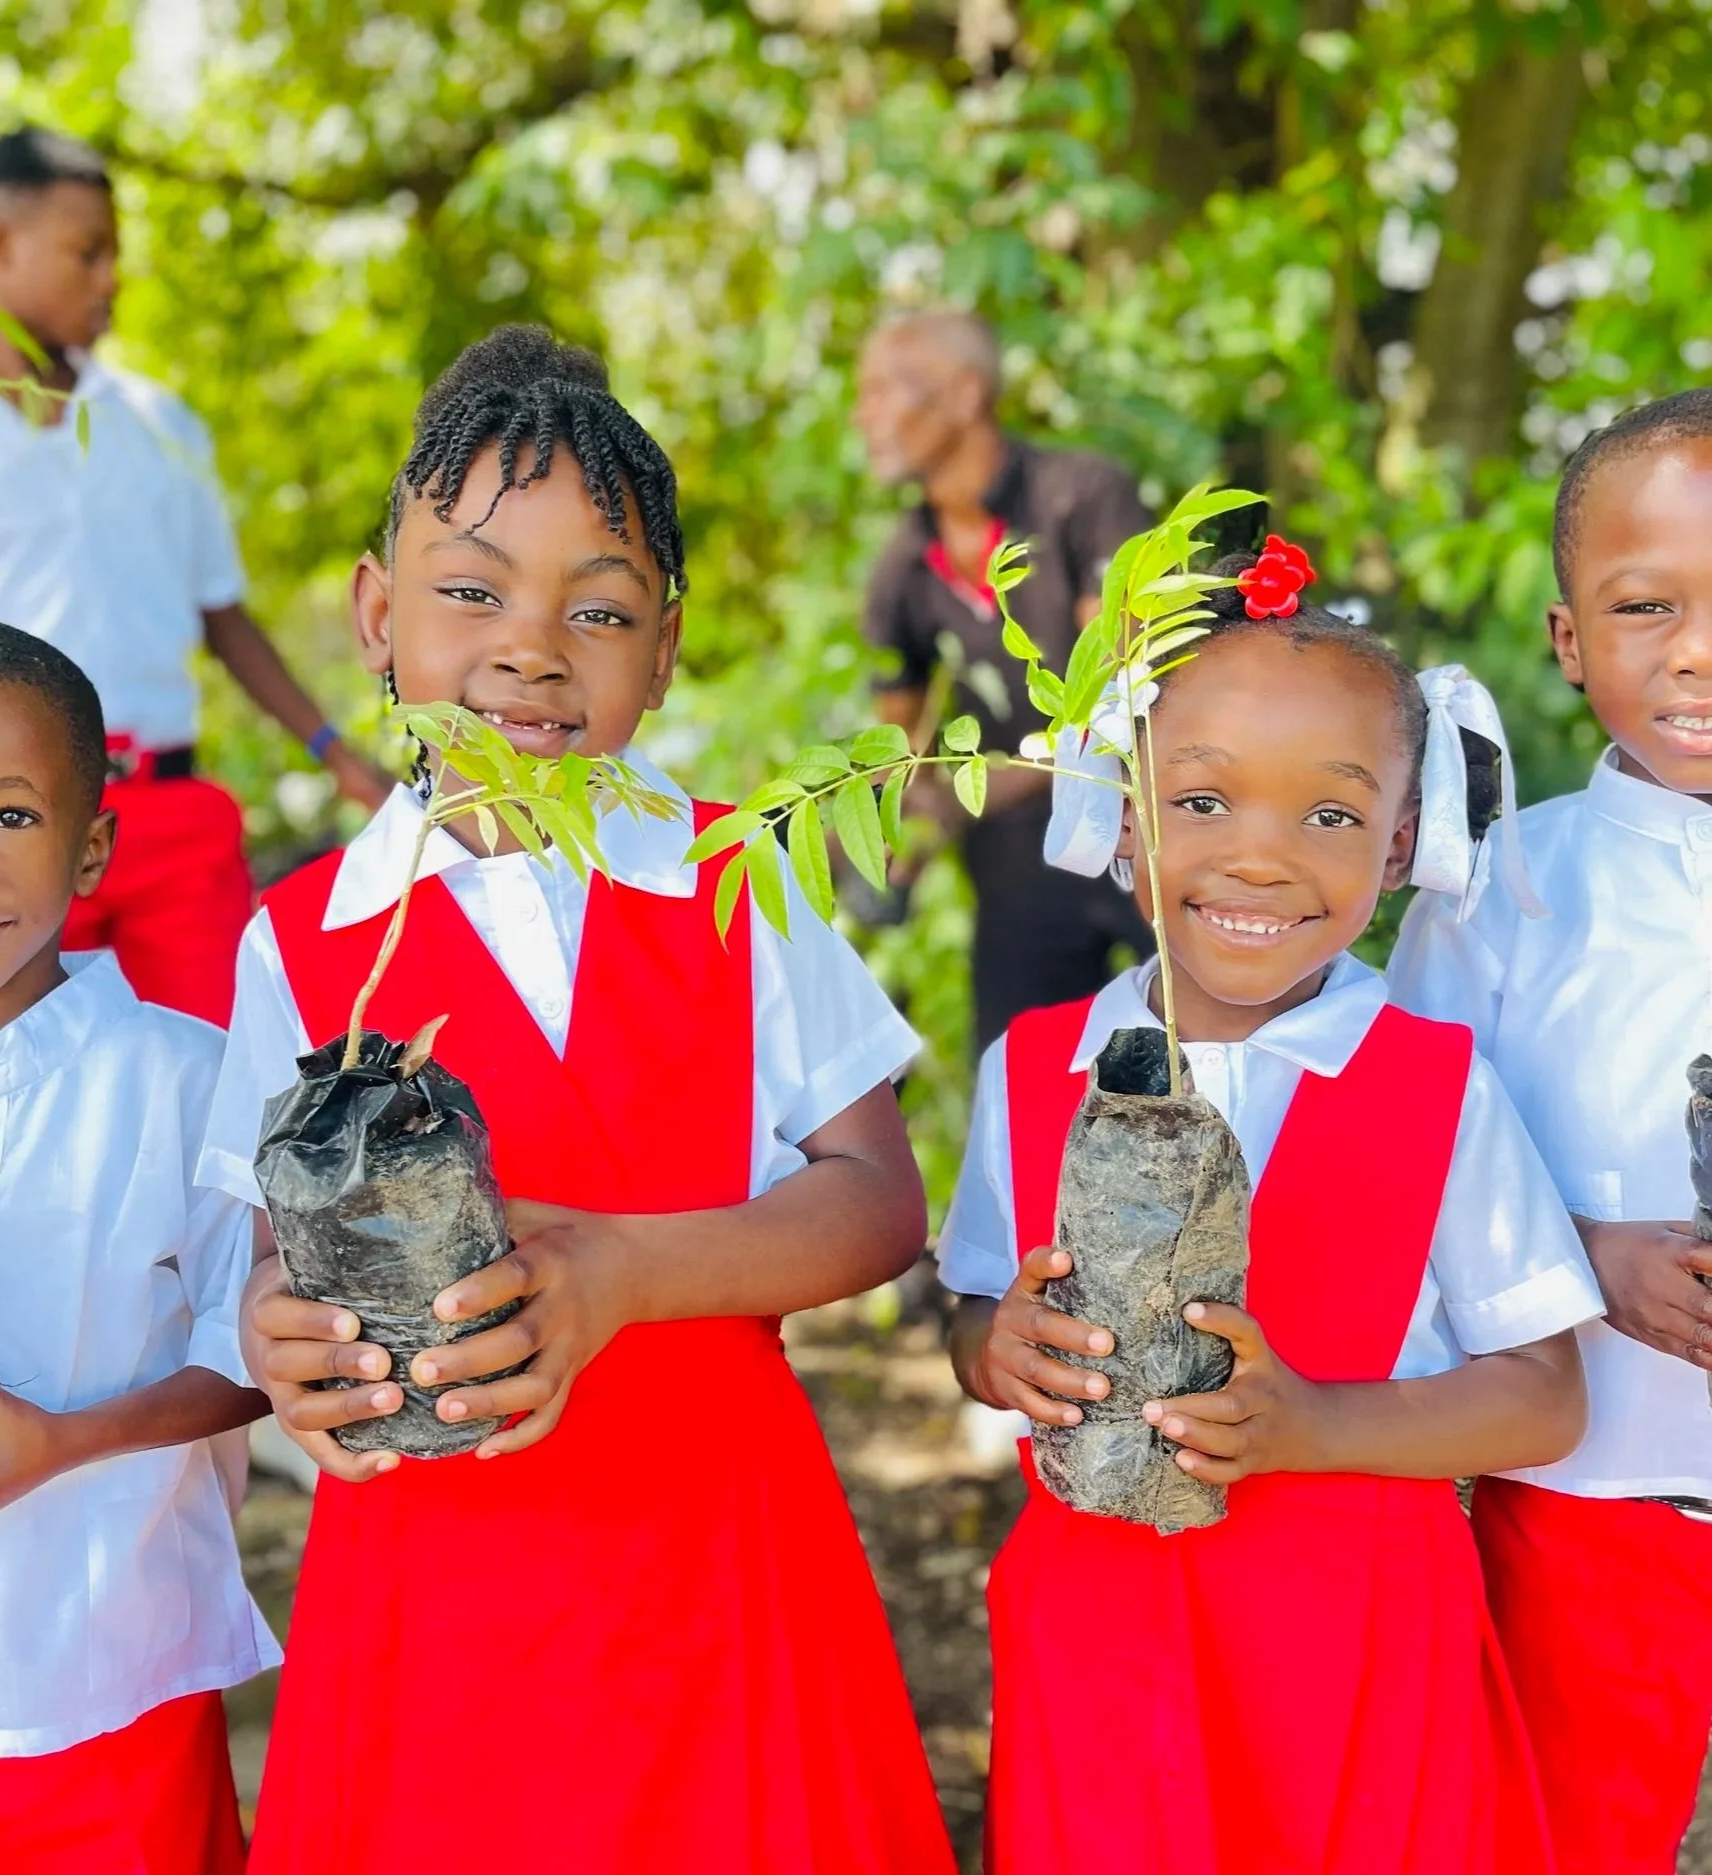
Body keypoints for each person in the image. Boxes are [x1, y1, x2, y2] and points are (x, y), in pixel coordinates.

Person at [200, 326, 957, 1874]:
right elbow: (263, 1262)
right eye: (471, 589)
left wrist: (618, 1272)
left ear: (662, 649)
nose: (530, 646)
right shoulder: (302, 939)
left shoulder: (736, 872)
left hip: (713, 1551)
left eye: (595, 609)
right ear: (374, 612)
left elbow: (876, 1198)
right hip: (433, 1583)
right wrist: (279, 1333)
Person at [941, 551, 1604, 1874]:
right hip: (1099, 1629)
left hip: (1349, 1634)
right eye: (1198, 798)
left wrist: (1314, 1423)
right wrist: (988, 1345)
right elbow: (973, 1311)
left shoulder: (1433, 1084)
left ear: (1402, 842)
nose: (1256, 853)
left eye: (1327, 818)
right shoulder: (1030, 1068)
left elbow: (1541, 1392)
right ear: (1120, 814)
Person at [0, 619, 277, 1873]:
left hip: (114, 1685)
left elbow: (249, 1347)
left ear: (91, 848)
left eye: (13, 818)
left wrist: (66, 1445)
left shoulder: (190, 1080)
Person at [0, 126, 391, 1027]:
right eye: (86, 253)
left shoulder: (159, 427)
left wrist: (339, 756)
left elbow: (225, 619)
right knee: (6, 1077)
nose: (111, 281)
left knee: (217, 1070)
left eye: (115, 255)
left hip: (167, 819)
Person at [1387, 389, 1712, 1875]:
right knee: (1570, 1836)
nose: (1694, 649)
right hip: (1594, 1496)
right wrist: (1588, 1256)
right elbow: (1401, 1175)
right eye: (1645, 606)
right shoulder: (1502, 888)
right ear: (1568, 637)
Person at [854, 309, 1154, 1051]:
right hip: (1021, 860)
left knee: (1210, 1066)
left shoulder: (1083, 496)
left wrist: (970, 791)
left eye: (884, 390)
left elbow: (1111, 698)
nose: (865, 417)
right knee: (1022, 1081)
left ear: (964, 393)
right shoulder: (900, 568)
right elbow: (900, 739)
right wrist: (892, 824)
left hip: (1142, 826)